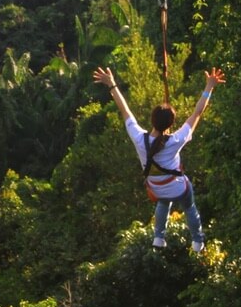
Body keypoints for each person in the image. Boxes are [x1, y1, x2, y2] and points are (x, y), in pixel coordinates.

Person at [92, 65, 226, 252]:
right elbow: (197, 113)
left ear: (152, 119)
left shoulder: (139, 138)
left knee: (164, 201)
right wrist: (209, 87)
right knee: (189, 204)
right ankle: (197, 241)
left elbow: (125, 111)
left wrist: (112, 84)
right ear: (171, 124)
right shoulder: (177, 139)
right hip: (177, 187)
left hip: (155, 187)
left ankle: (159, 237)